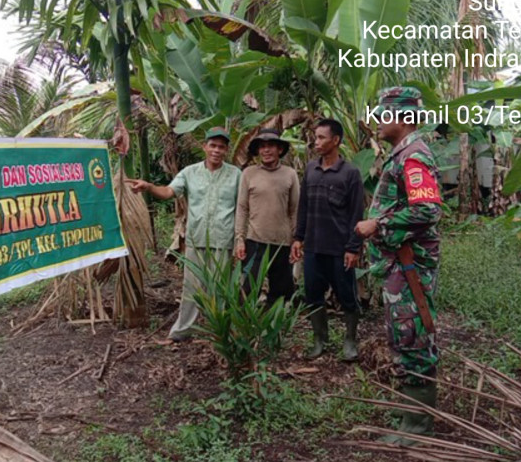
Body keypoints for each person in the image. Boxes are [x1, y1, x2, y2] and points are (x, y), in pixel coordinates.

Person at [354, 87, 442, 445]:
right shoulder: (401, 154)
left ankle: (419, 426)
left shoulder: (414, 156)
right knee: (403, 335)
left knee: (413, 335)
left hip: (410, 267)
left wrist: (378, 225)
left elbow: (427, 209)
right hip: (397, 266)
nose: (377, 121)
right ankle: (410, 410)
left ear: (402, 118)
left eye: (383, 115)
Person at [129, 127, 240, 341]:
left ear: (226, 150)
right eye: (213, 145)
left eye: (221, 147)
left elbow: (242, 206)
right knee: (192, 286)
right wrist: (149, 187)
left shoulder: (236, 175)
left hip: (223, 239)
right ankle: (183, 329)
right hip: (196, 238)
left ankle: (221, 331)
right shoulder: (190, 172)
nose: (216, 150)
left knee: (221, 287)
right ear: (205, 146)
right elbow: (170, 192)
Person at [291, 119, 364, 361]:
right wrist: (298, 238)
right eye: (316, 137)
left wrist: (353, 248)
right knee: (312, 295)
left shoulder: (350, 173)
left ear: (336, 141)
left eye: (322, 137)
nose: (316, 142)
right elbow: (304, 206)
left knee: (347, 296)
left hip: (339, 248)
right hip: (313, 247)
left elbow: (356, 214)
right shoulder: (311, 169)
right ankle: (319, 339)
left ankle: (350, 340)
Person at [235, 128, 299, 306]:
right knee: (248, 288)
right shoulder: (249, 173)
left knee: (281, 291)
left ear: (279, 149)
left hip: (282, 243)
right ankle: (246, 328)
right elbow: (242, 208)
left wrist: (296, 240)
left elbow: (295, 209)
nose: (266, 150)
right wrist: (240, 239)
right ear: (257, 151)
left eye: (271, 146)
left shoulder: (290, 174)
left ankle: (274, 330)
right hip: (255, 241)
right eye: (262, 146)